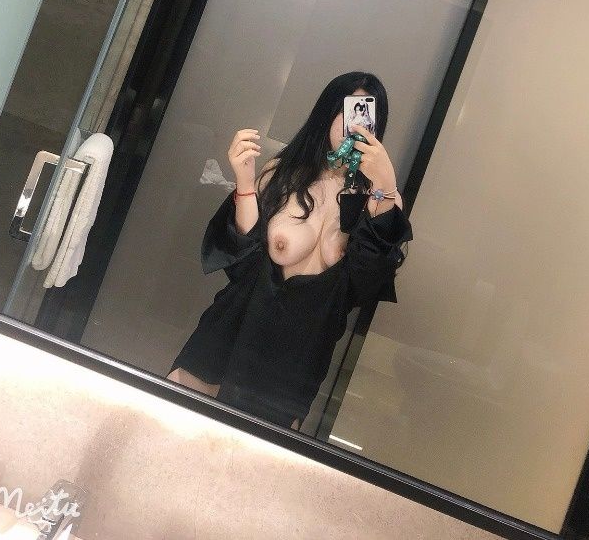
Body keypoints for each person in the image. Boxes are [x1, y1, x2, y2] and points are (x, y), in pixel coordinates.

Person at [166, 72, 412, 430]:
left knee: (253, 458)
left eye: (365, 115)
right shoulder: (285, 174)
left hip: (297, 361)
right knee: (171, 431)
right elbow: (241, 261)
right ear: (328, 112)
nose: (354, 125)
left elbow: (364, 288)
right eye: (347, 111)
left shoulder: (381, 200)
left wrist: (385, 187)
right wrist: (245, 181)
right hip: (232, 328)